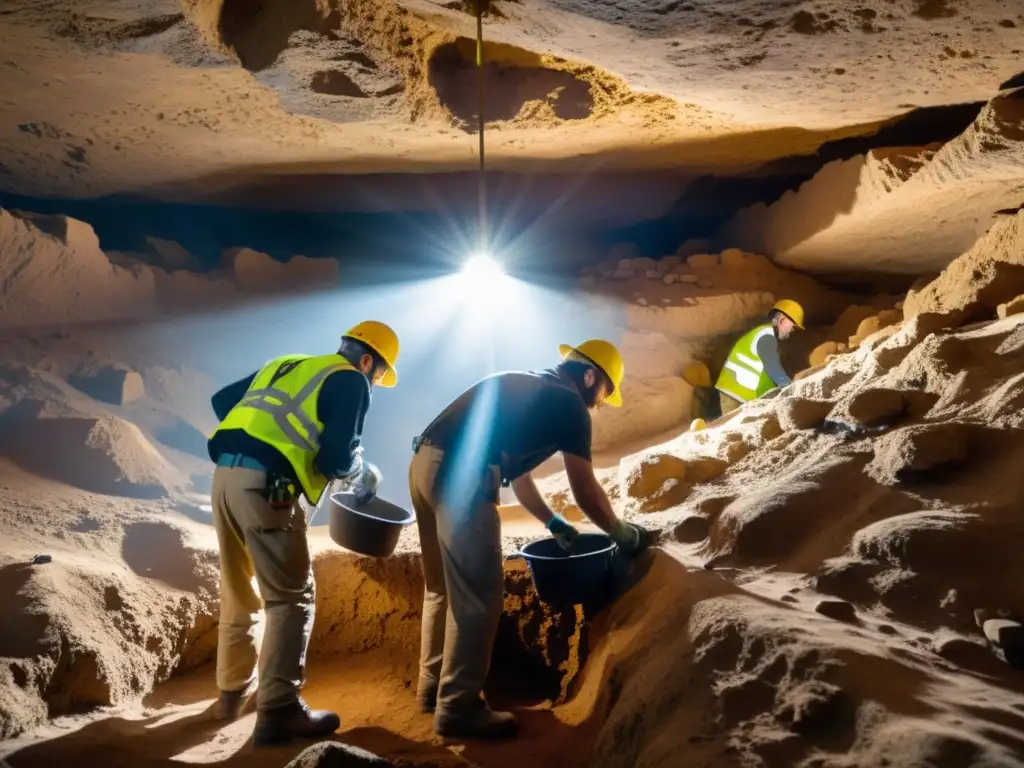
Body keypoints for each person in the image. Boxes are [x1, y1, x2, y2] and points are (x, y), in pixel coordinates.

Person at [409, 339, 650, 739]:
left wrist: (552, 522)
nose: (601, 403)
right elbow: (585, 488)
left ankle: (432, 689)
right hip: (460, 475)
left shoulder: (531, 389)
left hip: (424, 464)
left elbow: (518, 477)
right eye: (605, 392)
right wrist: (623, 534)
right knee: (480, 596)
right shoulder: (570, 404)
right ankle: (458, 709)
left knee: (441, 591)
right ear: (589, 376)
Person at [206, 320, 400, 747]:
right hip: (268, 488)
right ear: (367, 360)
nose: (377, 382)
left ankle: (229, 697)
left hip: (224, 477)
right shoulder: (352, 380)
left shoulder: (288, 363)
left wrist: (264, 436)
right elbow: (335, 458)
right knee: (292, 599)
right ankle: (278, 711)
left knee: (239, 590)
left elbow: (223, 402)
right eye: (380, 373)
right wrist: (361, 472)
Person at [715, 299, 804, 415]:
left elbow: (766, 377)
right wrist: (791, 389)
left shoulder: (764, 335)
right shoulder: (766, 337)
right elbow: (774, 370)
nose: (792, 330)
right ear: (782, 320)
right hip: (735, 394)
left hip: (739, 393)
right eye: (793, 326)